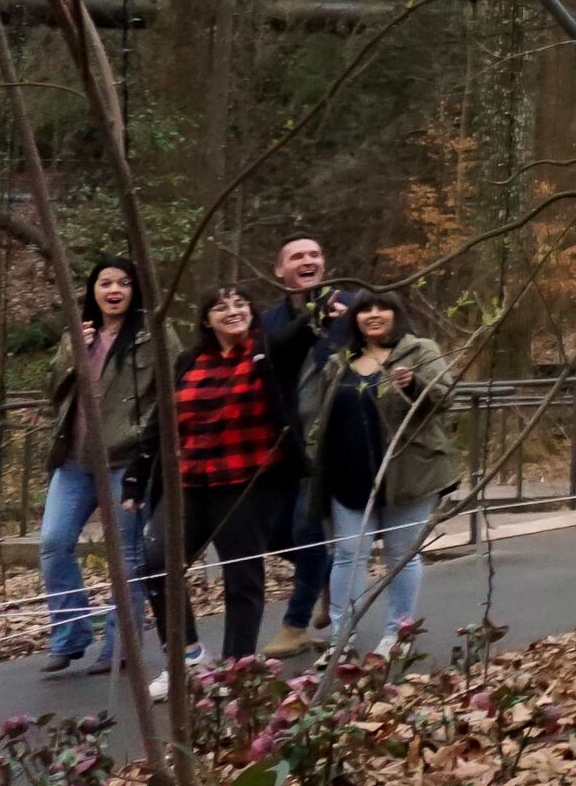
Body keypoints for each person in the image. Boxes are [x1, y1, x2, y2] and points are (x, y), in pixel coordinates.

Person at [116, 286, 307, 665]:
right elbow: (162, 421)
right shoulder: (190, 360)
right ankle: (186, 654)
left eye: (240, 304)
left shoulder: (268, 351)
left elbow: (303, 333)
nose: (233, 311)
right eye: (221, 307)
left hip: (249, 480)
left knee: (242, 574)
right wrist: (136, 476)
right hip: (191, 480)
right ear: (206, 319)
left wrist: (321, 314)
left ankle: (238, 666)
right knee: (157, 563)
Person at [301, 288, 456, 651]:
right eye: (364, 309)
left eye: (382, 308)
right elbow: (321, 418)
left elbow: (446, 399)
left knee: (401, 556)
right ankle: (342, 637)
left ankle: (396, 634)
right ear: (353, 318)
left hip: (409, 473)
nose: (373, 314)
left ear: (397, 314)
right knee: (347, 556)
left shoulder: (420, 351)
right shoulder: (340, 361)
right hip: (347, 475)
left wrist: (414, 384)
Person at [35, 259, 145, 674]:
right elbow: (53, 392)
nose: (114, 290)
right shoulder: (77, 334)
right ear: (92, 291)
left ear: (135, 290)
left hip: (126, 459)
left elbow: (169, 391)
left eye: (123, 282)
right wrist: (71, 355)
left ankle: (122, 647)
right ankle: (70, 635)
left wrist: (149, 450)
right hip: (75, 461)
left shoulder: (152, 335)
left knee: (127, 556)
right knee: (53, 542)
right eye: (105, 283)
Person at [256, 234, 346, 655]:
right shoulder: (267, 322)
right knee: (273, 533)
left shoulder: (353, 308)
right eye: (296, 256)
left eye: (315, 254)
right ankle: (327, 573)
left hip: (332, 440)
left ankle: (294, 626)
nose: (307, 260)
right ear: (280, 270)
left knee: (305, 529)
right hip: (284, 443)